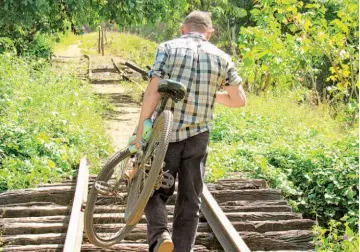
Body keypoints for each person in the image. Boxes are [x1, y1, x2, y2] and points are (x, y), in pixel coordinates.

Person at [131, 10, 246, 252]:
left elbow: (153, 90)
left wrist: (141, 127)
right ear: (210, 33)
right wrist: (211, 94)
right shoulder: (222, 58)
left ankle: (160, 236)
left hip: (166, 134)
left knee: (148, 187)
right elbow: (239, 100)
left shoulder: (168, 48)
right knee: (190, 199)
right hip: (198, 138)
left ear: (183, 28)